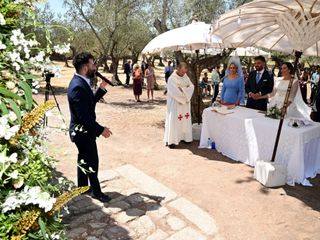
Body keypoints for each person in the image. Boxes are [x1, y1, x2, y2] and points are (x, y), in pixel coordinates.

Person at [67, 52, 113, 203]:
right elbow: (84, 117)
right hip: (82, 132)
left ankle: (82, 186)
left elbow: (88, 104)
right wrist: (101, 130)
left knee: (83, 157)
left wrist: (101, 89)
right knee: (92, 160)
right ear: (86, 67)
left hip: (82, 130)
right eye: (93, 64)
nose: (95, 67)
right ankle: (96, 192)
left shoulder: (81, 82)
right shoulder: (77, 87)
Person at [164, 62, 194, 149]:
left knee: (185, 120)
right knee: (174, 120)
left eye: (185, 72)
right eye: (182, 72)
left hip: (185, 104)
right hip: (175, 104)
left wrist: (183, 90)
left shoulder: (185, 77)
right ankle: (172, 141)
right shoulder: (172, 79)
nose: (184, 74)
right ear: (178, 69)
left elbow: (192, 86)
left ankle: (185, 138)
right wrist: (185, 94)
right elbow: (174, 92)